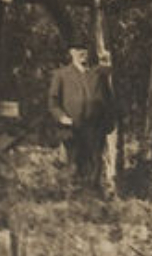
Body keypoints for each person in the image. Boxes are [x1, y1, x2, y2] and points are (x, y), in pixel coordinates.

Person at [47, 41, 113, 189]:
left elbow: (108, 100)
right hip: (73, 128)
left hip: (95, 128)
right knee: (75, 164)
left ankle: (94, 198)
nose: (83, 54)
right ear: (71, 53)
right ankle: (75, 200)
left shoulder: (97, 74)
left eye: (85, 50)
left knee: (95, 164)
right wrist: (62, 118)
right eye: (78, 50)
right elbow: (53, 103)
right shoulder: (61, 75)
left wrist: (109, 123)